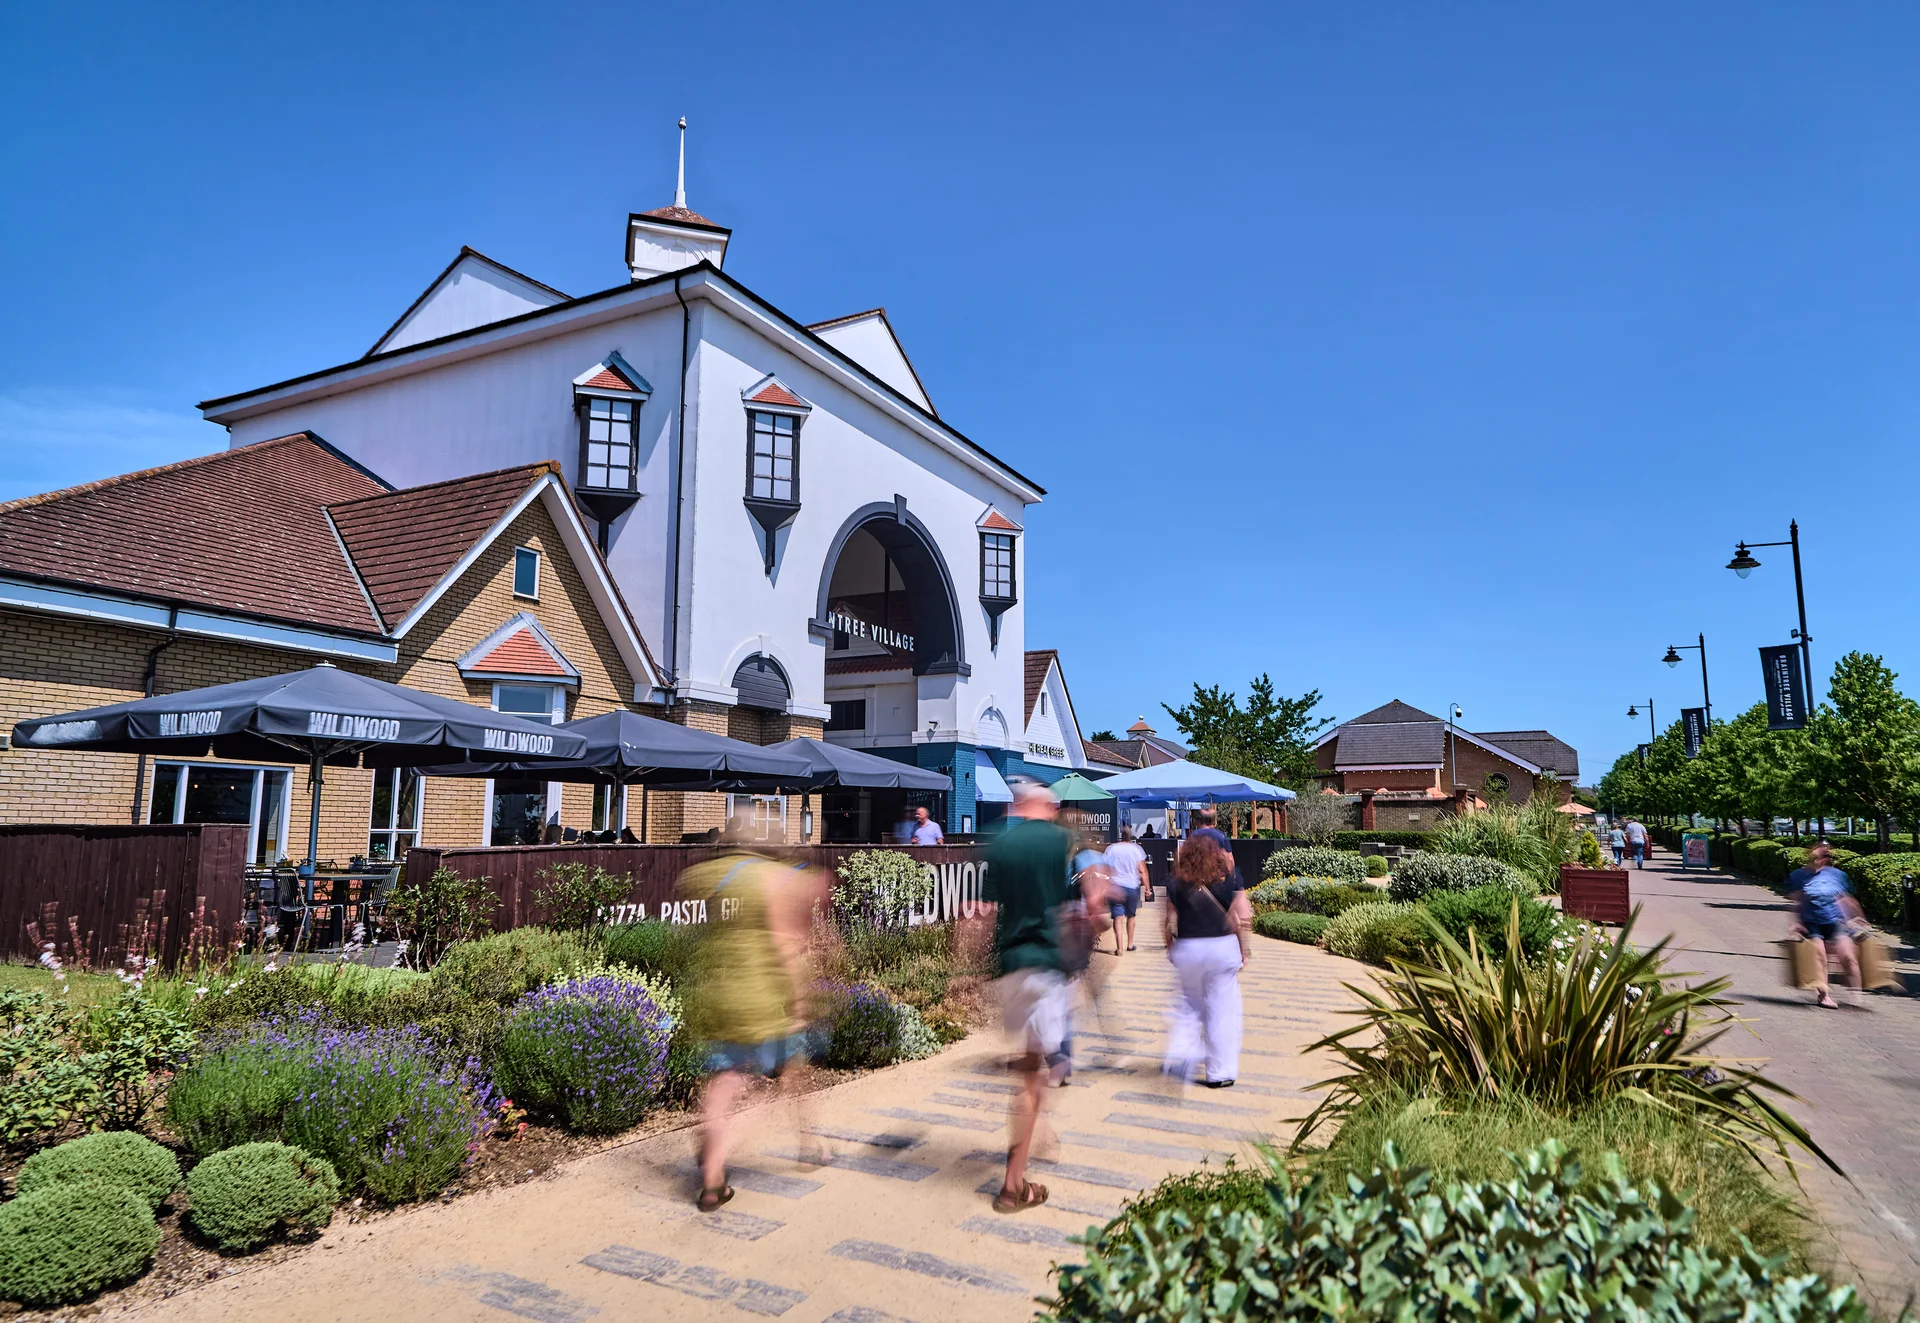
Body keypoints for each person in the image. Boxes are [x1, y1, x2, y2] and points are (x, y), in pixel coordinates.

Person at [679, 814, 824, 1212]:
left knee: (722, 1083)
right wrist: (798, 1002)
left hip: (715, 994)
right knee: (778, 1077)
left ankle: (712, 1181)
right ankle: (795, 1147)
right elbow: (783, 945)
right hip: (762, 998)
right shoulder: (771, 878)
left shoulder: (704, 876)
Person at [974, 778, 1073, 1214]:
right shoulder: (1057, 841)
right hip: (1043, 962)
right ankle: (1014, 1185)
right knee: (1034, 1078)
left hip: (1011, 964)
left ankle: (1036, 1135)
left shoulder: (1001, 843)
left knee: (1031, 1065)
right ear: (1044, 805)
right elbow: (1066, 906)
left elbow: (983, 911)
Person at [1162, 832, 1251, 1089]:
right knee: (1222, 1010)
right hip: (1222, 948)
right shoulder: (1230, 880)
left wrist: (1170, 948)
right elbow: (1242, 917)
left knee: (1190, 1004)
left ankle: (1182, 1054)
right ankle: (1219, 1072)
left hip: (1188, 949)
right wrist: (1244, 950)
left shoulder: (1175, 881)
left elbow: (1169, 921)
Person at [1789, 843, 1864, 1010]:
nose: (1819, 861)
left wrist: (1857, 917)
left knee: (1849, 958)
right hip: (1811, 922)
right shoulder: (1799, 876)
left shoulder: (1838, 876)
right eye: (1815, 858)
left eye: (1824, 857)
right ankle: (1824, 996)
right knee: (1820, 957)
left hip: (1835, 921)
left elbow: (1846, 898)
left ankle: (1856, 992)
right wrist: (1795, 921)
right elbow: (1798, 900)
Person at [1103, 827, 1148, 955]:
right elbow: (1143, 870)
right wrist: (1148, 889)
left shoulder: (1111, 849)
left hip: (1115, 885)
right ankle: (1130, 944)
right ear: (1130, 836)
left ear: (1120, 836)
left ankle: (1119, 948)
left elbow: (1105, 868)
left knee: (1118, 917)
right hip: (1132, 886)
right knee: (1131, 916)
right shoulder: (1136, 849)